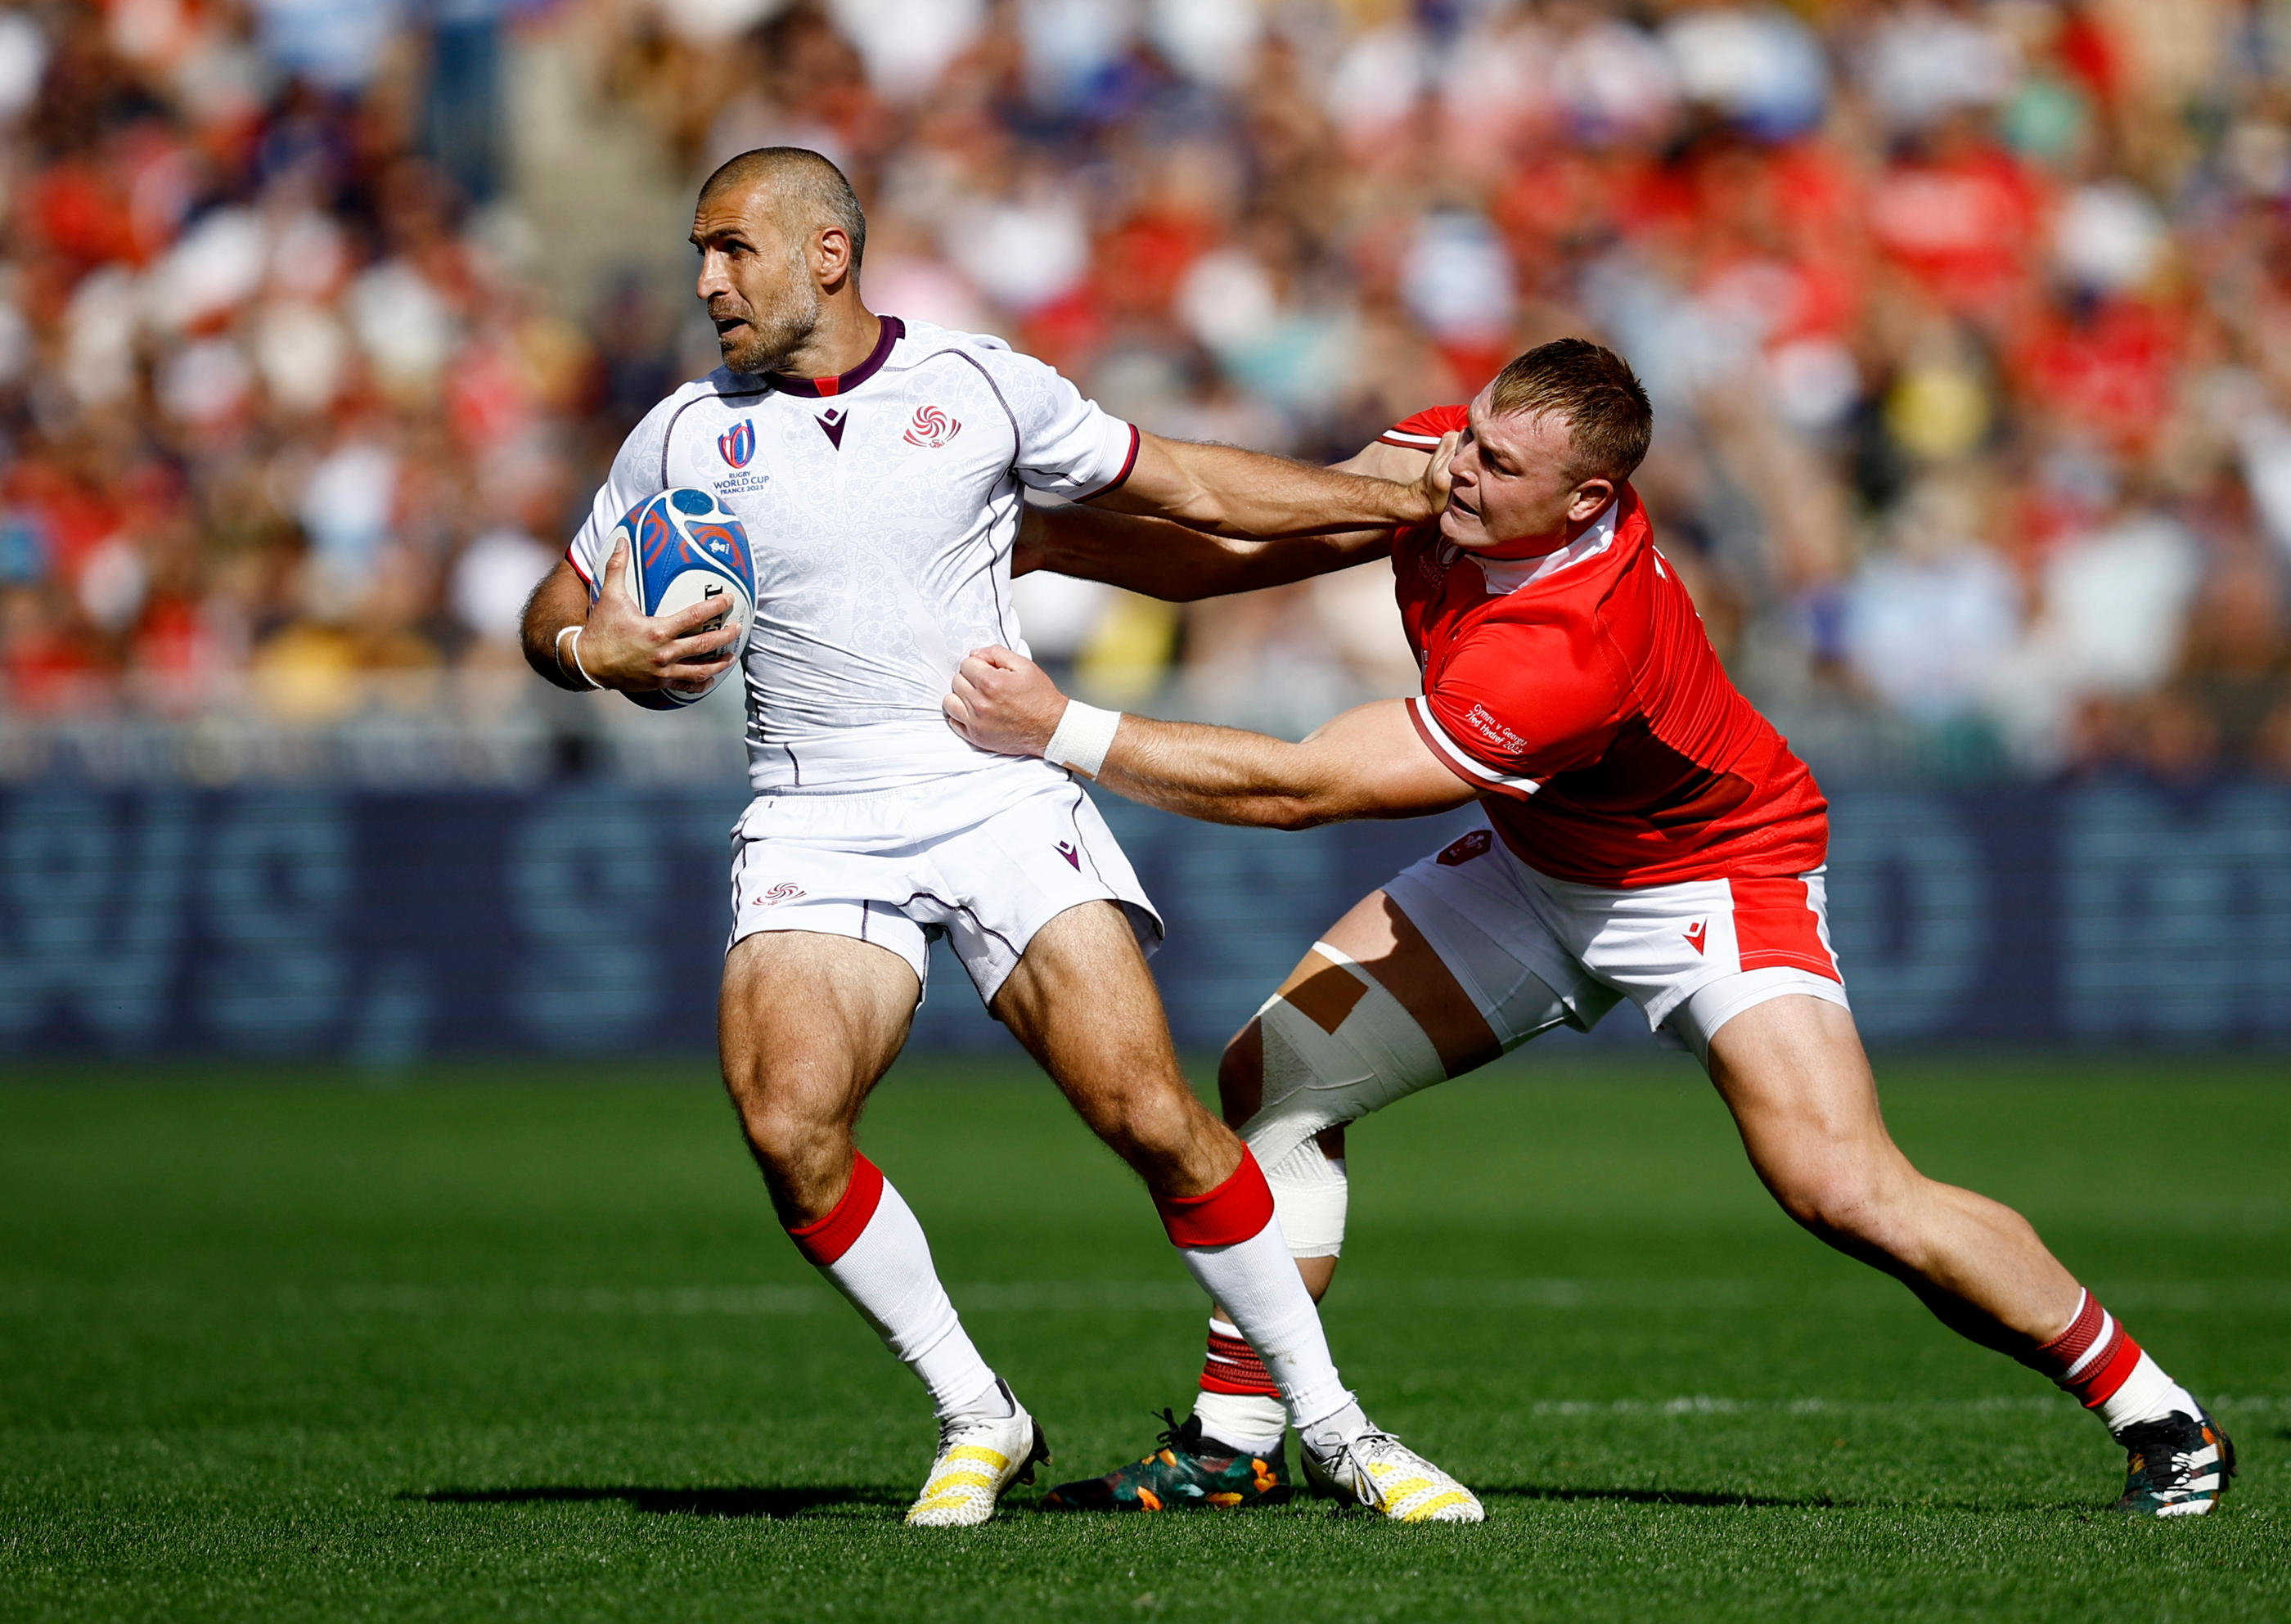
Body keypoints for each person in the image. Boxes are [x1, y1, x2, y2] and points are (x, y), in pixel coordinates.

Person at [944, 338, 2236, 1519]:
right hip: (1540, 858)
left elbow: (1306, 787)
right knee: (1275, 1078)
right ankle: (1238, 1438)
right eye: (1474, 432)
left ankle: (2158, 1413)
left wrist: (1063, 729)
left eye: (1499, 462)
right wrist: (1047, 545)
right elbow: (1247, 548)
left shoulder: (1573, 641)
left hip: (1709, 878)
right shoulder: (1454, 456)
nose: (1461, 466)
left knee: (1843, 1186)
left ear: (1583, 502)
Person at [517, 147, 1483, 1527]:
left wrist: (1379, 497)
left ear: (827, 255)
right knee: (789, 1127)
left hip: (992, 790)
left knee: (1151, 1116)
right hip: (814, 811)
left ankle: (1332, 1425)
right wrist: (585, 644)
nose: (706, 279)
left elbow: (1188, 495)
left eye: (732, 248)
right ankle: (980, 1412)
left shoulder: (977, 387)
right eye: (699, 251)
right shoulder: (677, 433)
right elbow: (555, 607)